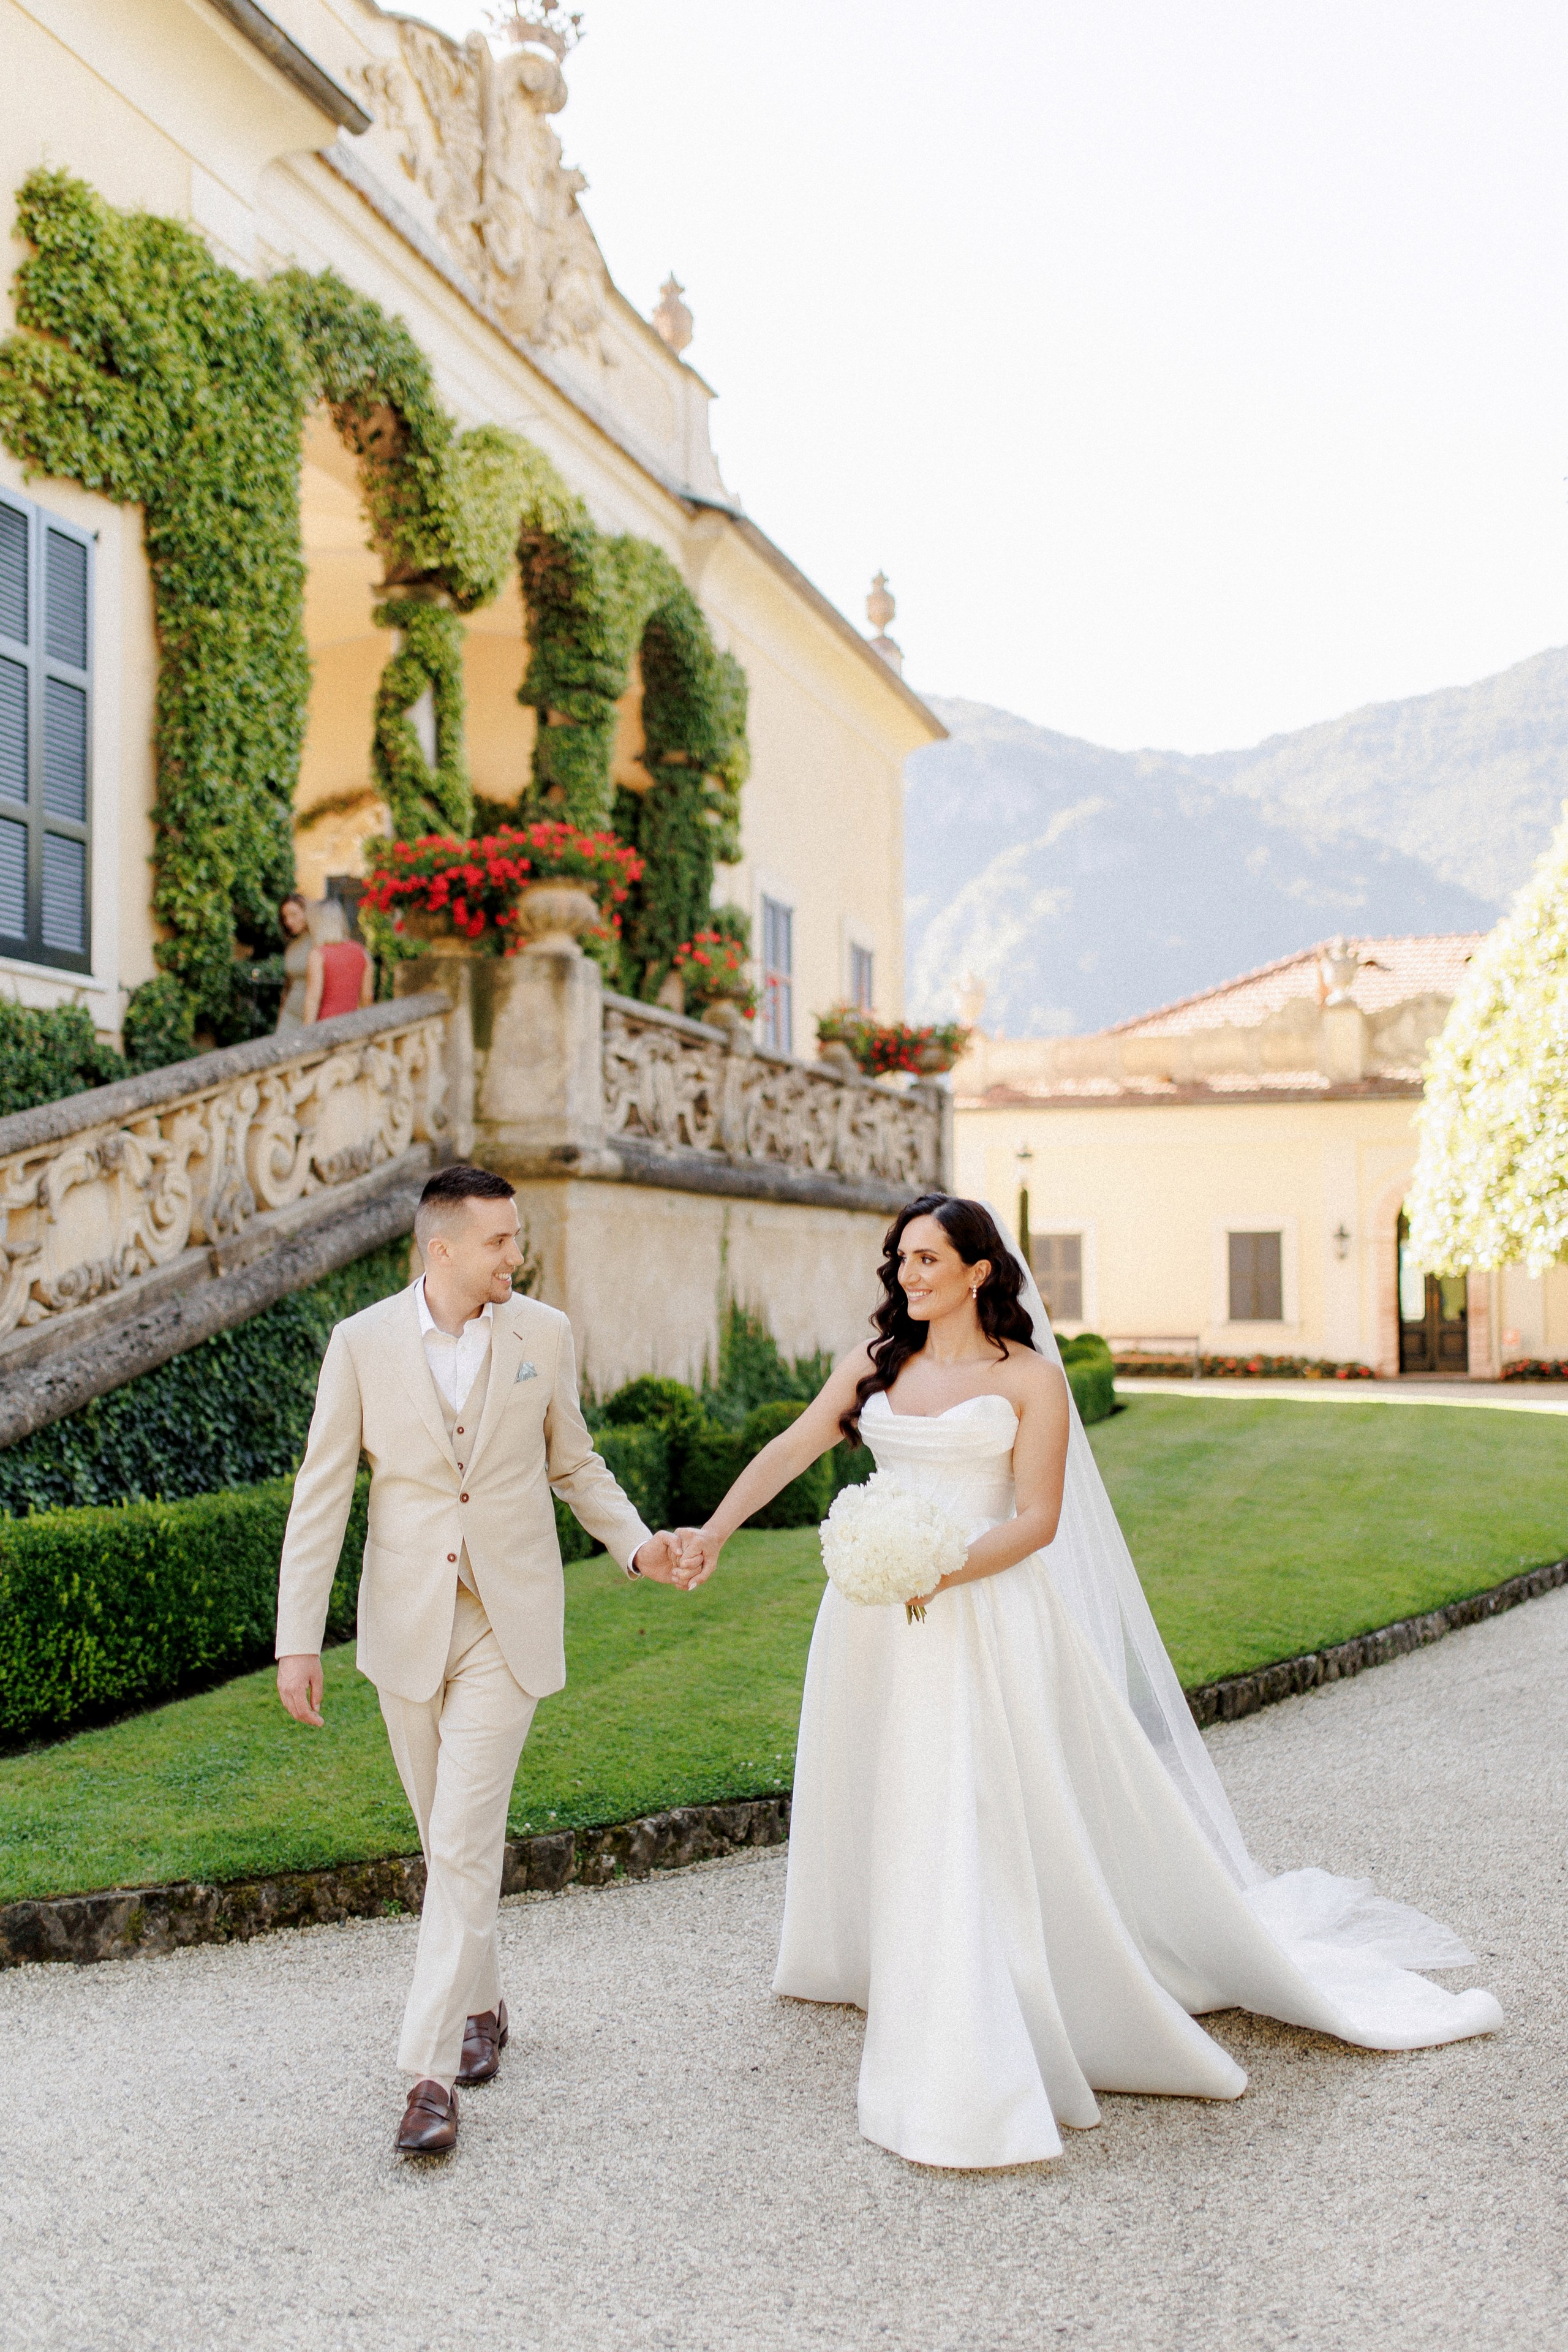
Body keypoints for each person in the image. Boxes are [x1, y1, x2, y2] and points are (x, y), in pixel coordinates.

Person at [672, 1193, 1502, 2170]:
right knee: (883, 1780)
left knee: (969, 1794)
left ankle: (979, 1984)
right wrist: (715, 1533)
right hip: (869, 1620)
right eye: (902, 1259)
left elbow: (1035, 1522)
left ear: (981, 1272)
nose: (909, 1274)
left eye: (930, 1259)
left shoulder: (1028, 1380)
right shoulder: (874, 1366)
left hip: (978, 1609)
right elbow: (791, 1448)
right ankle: (879, 1952)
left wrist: (935, 1568)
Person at [275, 1164, 685, 2157]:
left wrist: (636, 1546)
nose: (518, 1254)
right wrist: (298, 1636)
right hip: (406, 1625)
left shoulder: (543, 1335)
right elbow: (322, 1492)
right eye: (501, 1240)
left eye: (517, 1238)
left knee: (460, 1838)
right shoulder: (362, 1344)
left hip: (510, 1621)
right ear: (444, 1248)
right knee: (445, 1841)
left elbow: (573, 1463)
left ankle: (426, 2079)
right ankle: (486, 2003)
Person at [301, 894, 372, 1023]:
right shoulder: (362, 952)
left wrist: (306, 1035)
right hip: (352, 1025)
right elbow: (367, 997)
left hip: (326, 1026)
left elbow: (313, 999)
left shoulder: (318, 955)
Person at [275, 892, 313, 1031]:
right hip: (290, 1015)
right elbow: (288, 986)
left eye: (294, 915)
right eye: (285, 917)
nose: (289, 922)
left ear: (307, 912)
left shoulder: (319, 942)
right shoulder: (291, 945)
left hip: (312, 1016)